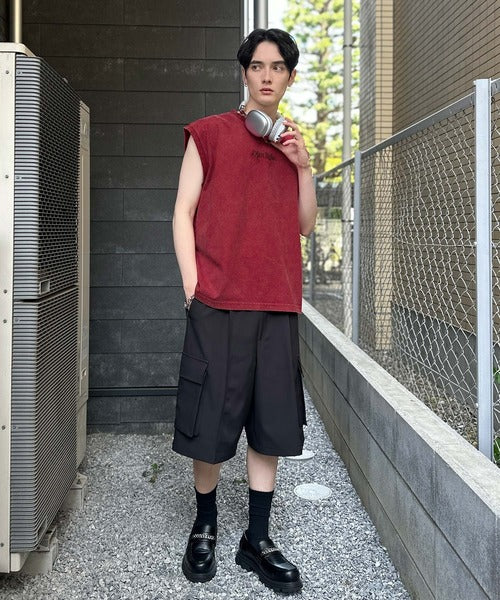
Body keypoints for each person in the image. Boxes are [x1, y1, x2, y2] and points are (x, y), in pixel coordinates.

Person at [171, 28, 317, 595]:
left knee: (269, 423)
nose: (266, 75)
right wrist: (193, 288)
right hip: (218, 303)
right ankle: (205, 524)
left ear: (290, 77)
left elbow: (305, 225)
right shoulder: (208, 134)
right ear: (244, 72)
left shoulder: (292, 146)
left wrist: (304, 167)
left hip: (276, 303)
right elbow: (182, 213)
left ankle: (257, 538)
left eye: (277, 67)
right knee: (209, 421)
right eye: (257, 65)